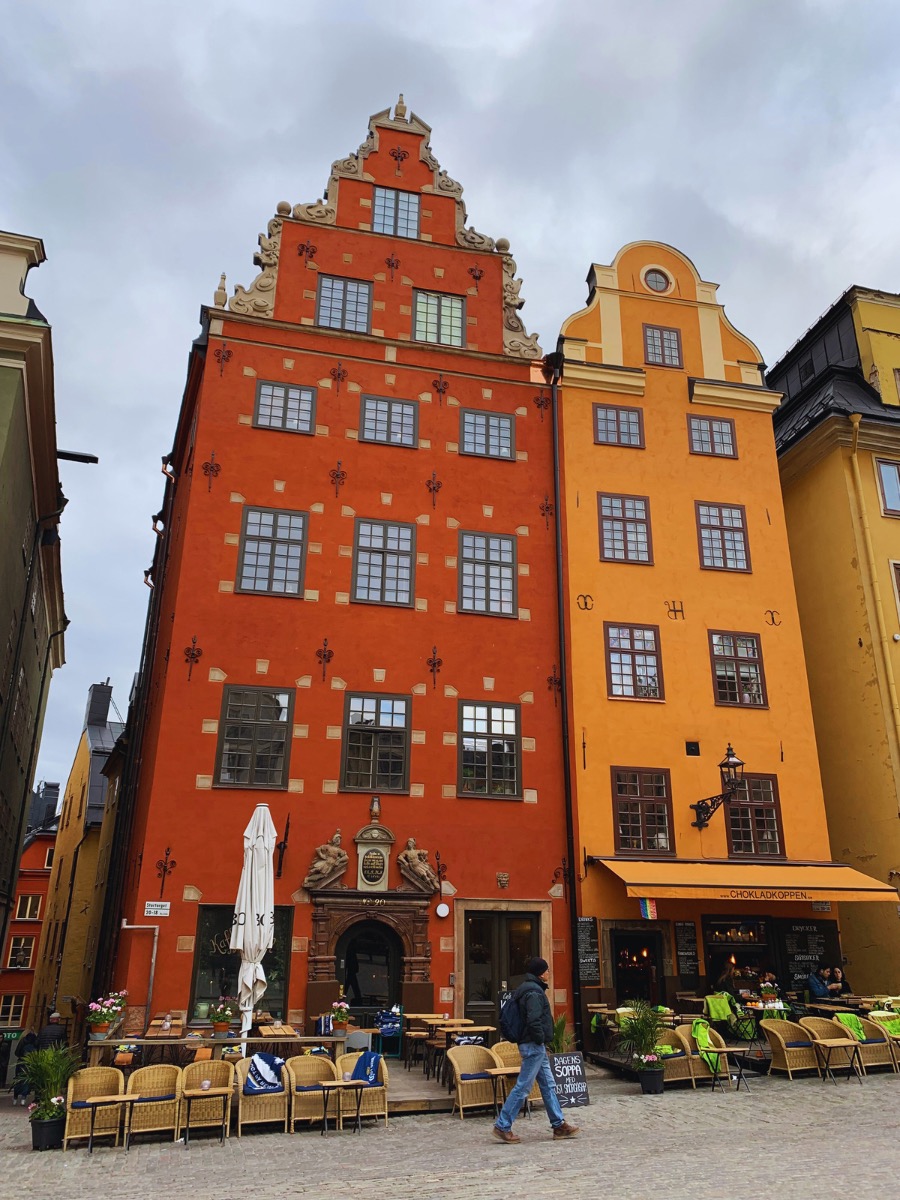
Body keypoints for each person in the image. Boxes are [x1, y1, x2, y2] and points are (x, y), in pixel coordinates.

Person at [492, 957, 579, 1144]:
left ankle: (558, 1124)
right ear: (541, 973)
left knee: (548, 1085)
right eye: (547, 970)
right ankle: (503, 1125)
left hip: (534, 1045)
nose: (549, 973)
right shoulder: (534, 992)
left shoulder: (528, 989)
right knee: (523, 1086)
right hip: (533, 1045)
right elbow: (533, 1020)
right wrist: (540, 1040)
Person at [12, 1031, 37, 1106]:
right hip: (29, 1064)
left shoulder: (22, 1041)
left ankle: (15, 1098)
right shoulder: (34, 1043)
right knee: (26, 1081)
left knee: (18, 1079)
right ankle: (23, 1098)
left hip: (20, 1063)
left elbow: (16, 1052)